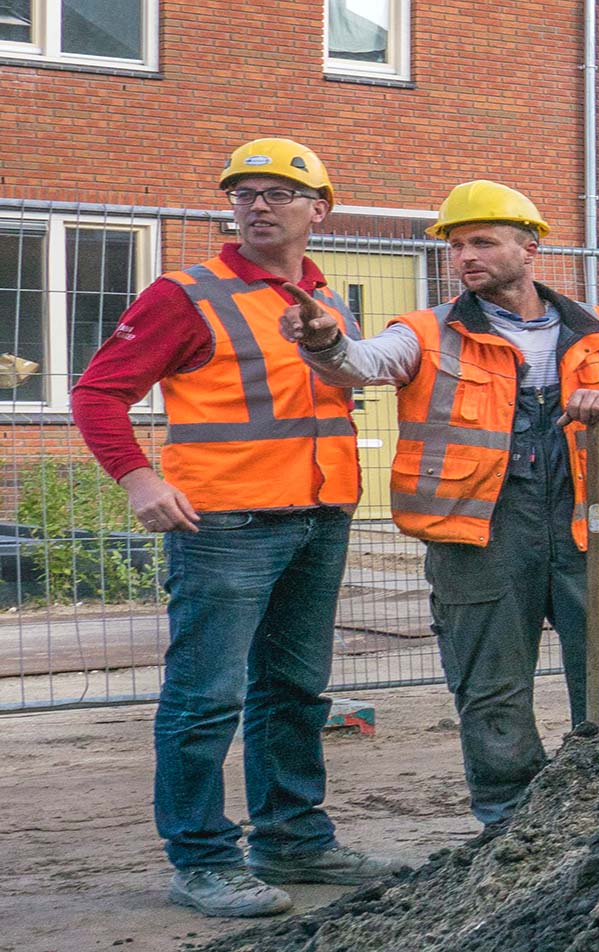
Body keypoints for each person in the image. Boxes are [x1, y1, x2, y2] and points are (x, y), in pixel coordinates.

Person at [72, 137, 402, 919]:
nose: (257, 205)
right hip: (225, 525)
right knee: (204, 698)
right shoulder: (188, 294)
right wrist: (139, 478)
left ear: (318, 210)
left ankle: (294, 838)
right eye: (243, 193)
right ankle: (201, 859)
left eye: (277, 194)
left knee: (294, 689)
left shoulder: (324, 299)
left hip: (320, 517)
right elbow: (97, 393)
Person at [280, 179, 599, 830]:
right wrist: (324, 343)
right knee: (491, 691)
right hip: (478, 537)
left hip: (587, 532)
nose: (464, 256)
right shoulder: (426, 334)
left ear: (530, 247)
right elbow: (362, 363)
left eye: (482, 242)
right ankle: (510, 828)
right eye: (456, 245)